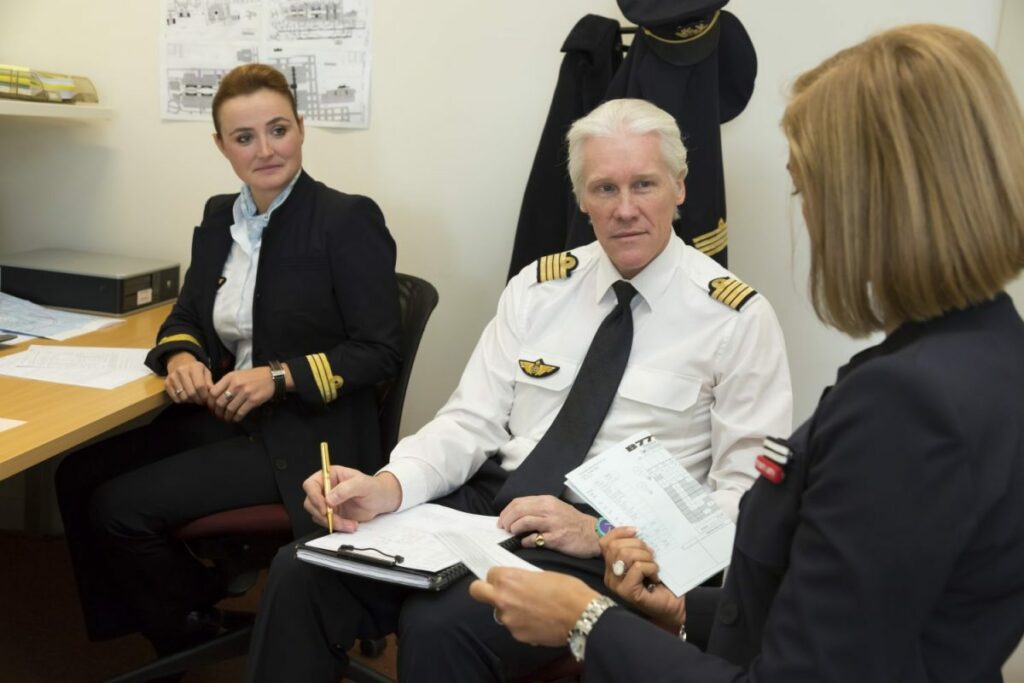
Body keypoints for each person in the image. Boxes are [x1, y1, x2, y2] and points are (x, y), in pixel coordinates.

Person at [470, 23, 1024, 682]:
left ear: (870, 200)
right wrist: (683, 612)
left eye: (806, 189)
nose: (807, 217)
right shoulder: (994, 352)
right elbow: (847, 618)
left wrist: (586, 620)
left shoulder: (905, 403)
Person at [246, 97, 793, 682]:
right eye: (605, 189)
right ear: (582, 199)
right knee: (301, 569)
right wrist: (388, 486)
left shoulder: (736, 318)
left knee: (440, 625)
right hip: (496, 506)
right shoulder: (539, 289)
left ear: (679, 187)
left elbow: (745, 503)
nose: (625, 209)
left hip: (610, 541)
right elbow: (469, 421)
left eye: (644, 185)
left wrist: (600, 533)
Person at [54, 63, 402, 656]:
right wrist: (181, 356)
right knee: (76, 475)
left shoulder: (345, 219)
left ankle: (190, 620)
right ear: (221, 146)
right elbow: (188, 314)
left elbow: (379, 351)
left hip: (307, 434)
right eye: (244, 137)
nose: (265, 150)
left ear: (301, 128)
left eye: (278, 130)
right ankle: (164, 613)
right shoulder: (222, 217)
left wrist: (279, 377)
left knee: (117, 508)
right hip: (229, 417)